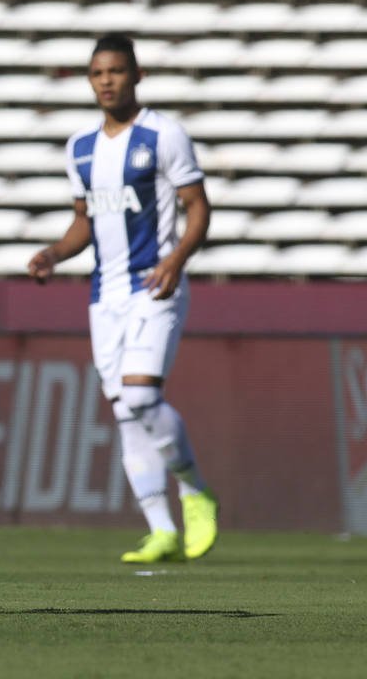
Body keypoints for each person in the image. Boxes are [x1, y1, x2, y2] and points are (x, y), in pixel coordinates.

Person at [27, 34, 218, 564]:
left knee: (139, 397)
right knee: (126, 415)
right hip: (103, 296)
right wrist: (53, 254)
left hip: (154, 286)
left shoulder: (163, 135)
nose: (106, 81)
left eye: (115, 71)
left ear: (136, 76)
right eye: (97, 73)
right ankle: (161, 530)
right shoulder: (80, 148)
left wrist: (176, 260)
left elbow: (198, 208)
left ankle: (195, 490)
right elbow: (83, 225)